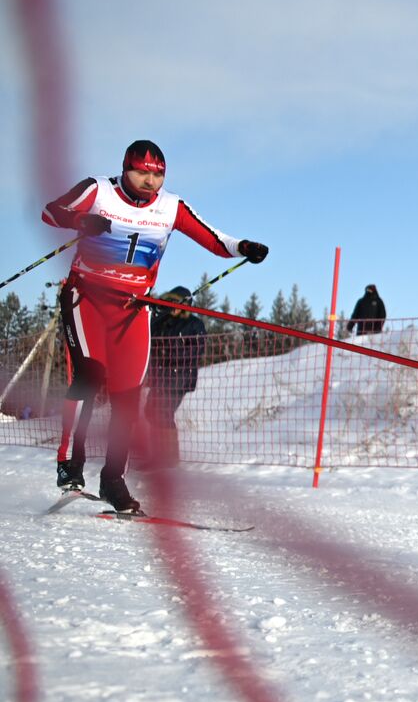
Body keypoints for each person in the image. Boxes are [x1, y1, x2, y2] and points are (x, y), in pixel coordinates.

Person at [40, 139, 268, 513]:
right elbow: (52, 212)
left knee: (128, 397)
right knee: (90, 376)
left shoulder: (170, 207)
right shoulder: (97, 190)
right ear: (125, 168)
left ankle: (113, 480)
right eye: (141, 172)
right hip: (87, 298)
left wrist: (243, 247)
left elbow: (213, 238)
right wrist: (81, 220)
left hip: (134, 308)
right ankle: (70, 467)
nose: (149, 181)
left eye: (157, 174)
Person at [142, 285, 206, 469]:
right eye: (169, 302)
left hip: (179, 378)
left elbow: (195, 351)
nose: (172, 306)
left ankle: (167, 459)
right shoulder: (163, 322)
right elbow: (149, 336)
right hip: (159, 376)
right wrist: (158, 313)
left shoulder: (194, 324)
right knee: (150, 411)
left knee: (163, 412)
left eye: (175, 302)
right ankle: (159, 456)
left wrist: (170, 353)